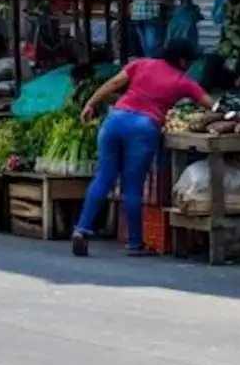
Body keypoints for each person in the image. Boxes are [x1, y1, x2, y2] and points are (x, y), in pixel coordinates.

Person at [71, 39, 214, 257]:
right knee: (132, 186)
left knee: (103, 178)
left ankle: (81, 229)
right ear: (183, 61)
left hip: (115, 120)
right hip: (143, 127)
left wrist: (90, 103)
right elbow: (209, 103)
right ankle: (135, 243)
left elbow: (112, 85)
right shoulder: (183, 81)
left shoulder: (142, 64)